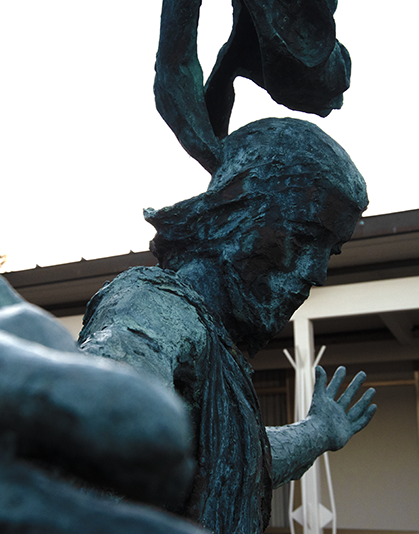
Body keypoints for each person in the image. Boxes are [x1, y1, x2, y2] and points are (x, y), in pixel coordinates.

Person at [78, 116, 376, 534]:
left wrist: (319, 431)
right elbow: (104, 404)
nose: (318, 273)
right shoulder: (153, 302)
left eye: (331, 252)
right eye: (305, 237)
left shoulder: (216, 347)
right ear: (235, 216)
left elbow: (237, 462)